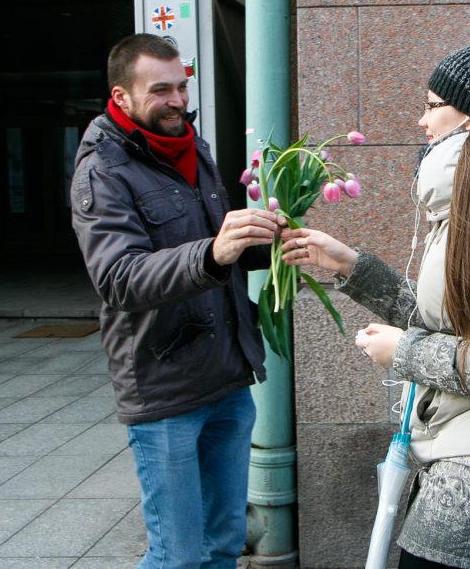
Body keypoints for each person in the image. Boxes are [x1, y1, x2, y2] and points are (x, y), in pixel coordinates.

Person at [281, 43, 470, 569]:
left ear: (469, 114)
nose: (420, 121)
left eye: (430, 104)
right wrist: (351, 266)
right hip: (469, 453)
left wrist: (404, 352)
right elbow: (452, 323)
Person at [70, 33, 285, 569]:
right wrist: (215, 252)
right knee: (179, 555)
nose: (177, 101)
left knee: (222, 543)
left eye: (182, 87)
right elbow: (118, 278)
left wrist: (273, 247)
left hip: (228, 376)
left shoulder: (192, 145)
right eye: (160, 90)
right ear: (121, 98)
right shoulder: (102, 170)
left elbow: (217, 251)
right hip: (164, 387)